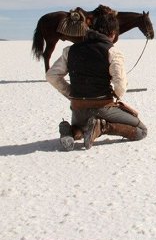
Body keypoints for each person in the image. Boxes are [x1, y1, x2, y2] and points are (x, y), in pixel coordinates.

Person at [46, 11, 148, 151]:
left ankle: (70, 132)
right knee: (141, 130)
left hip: (77, 109)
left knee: (82, 126)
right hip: (103, 108)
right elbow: (120, 84)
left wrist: (70, 93)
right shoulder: (112, 52)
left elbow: (51, 75)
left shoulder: (70, 50)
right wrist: (116, 96)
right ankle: (102, 127)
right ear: (112, 34)